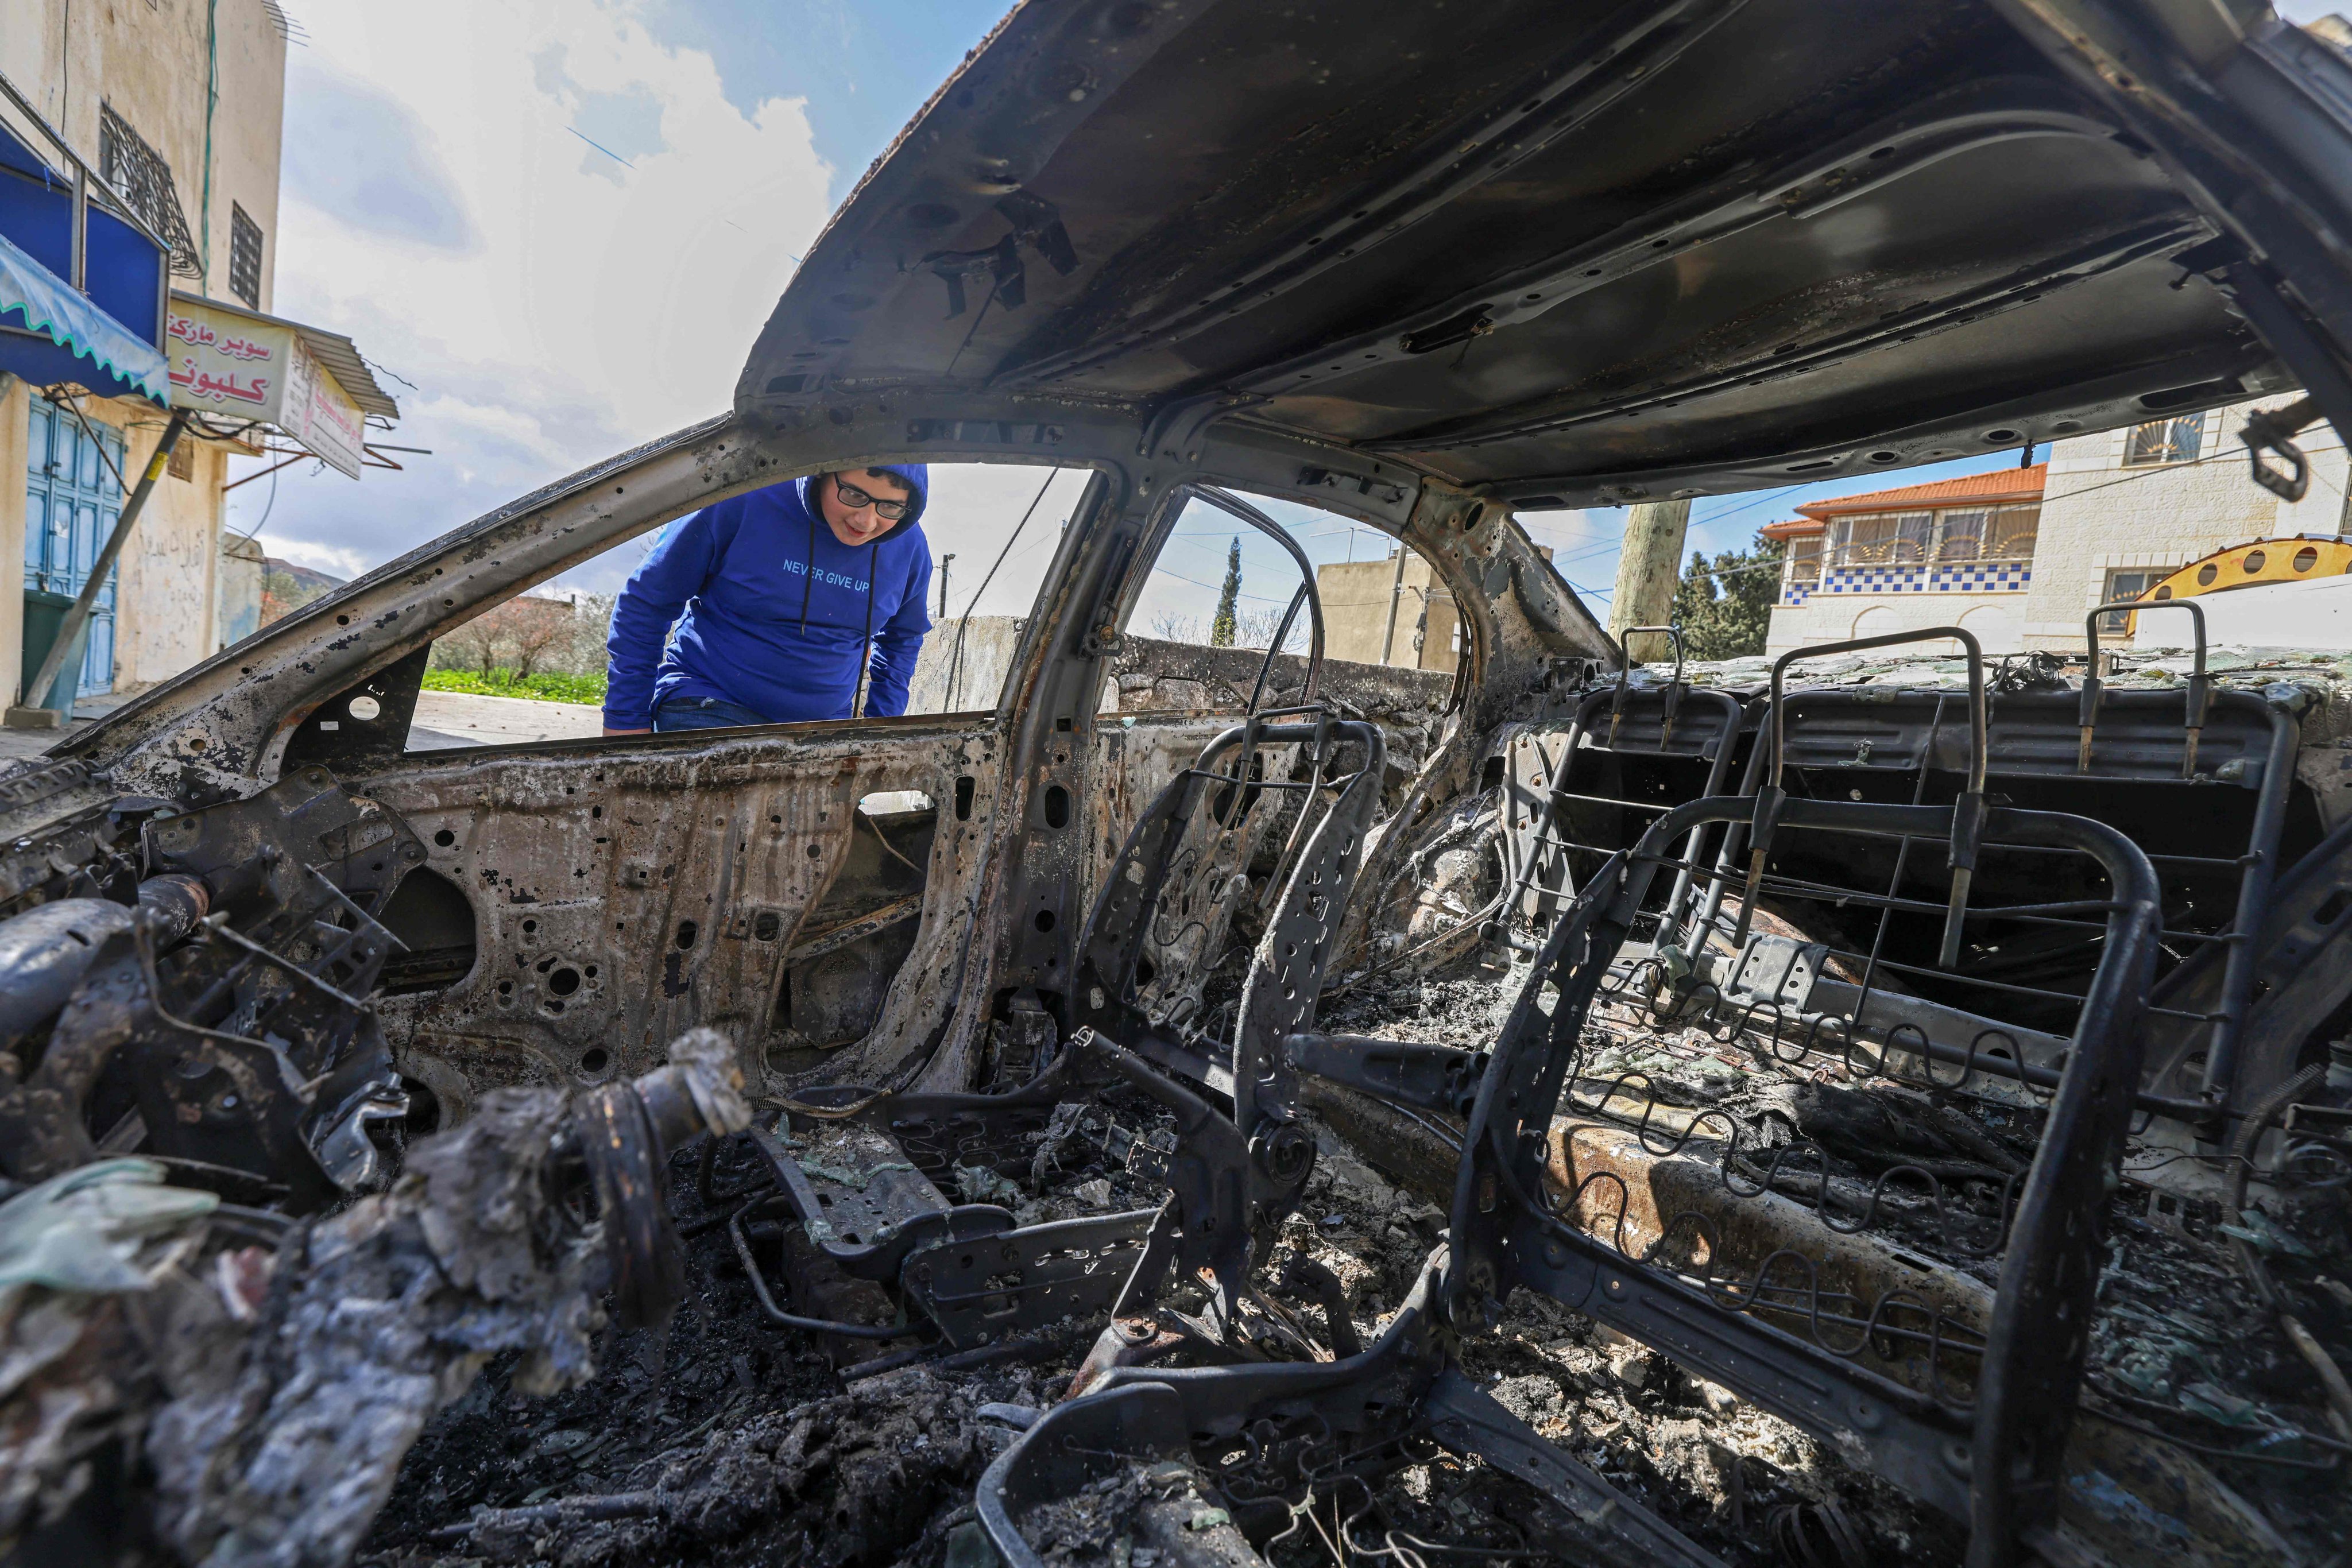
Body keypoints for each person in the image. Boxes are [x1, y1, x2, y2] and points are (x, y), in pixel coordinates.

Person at [602, 466, 933, 734]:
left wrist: (880, 729)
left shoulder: (910, 549)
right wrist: (625, 717)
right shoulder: (739, 500)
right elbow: (646, 603)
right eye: (854, 495)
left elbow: (902, 640)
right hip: (709, 702)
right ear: (821, 473)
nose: (866, 521)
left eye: (890, 507)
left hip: (822, 726)